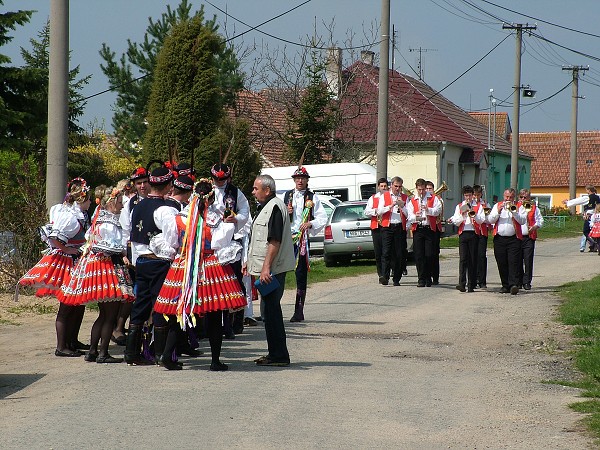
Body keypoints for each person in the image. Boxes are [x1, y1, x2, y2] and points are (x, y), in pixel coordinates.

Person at [154, 179, 247, 371]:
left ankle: (166, 354)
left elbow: (171, 242)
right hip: (210, 267)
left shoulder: (179, 217)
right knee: (214, 314)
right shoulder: (217, 219)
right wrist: (230, 225)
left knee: (179, 310)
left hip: (183, 265)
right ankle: (215, 360)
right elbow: (219, 243)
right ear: (211, 198)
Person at [58, 186, 134, 363]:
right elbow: (103, 247)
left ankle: (93, 351)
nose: (123, 207)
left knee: (104, 314)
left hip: (100, 269)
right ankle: (103, 353)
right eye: (121, 203)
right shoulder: (109, 224)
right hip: (108, 269)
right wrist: (122, 253)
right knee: (110, 315)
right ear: (113, 203)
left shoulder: (99, 220)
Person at [19, 178, 91, 357]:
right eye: (89, 200)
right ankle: (61, 346)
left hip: (75, 261)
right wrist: (68, 249)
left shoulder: (78, 216)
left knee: (78, 303)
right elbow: (53, 238)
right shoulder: (71, 219)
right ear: (82, 200)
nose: (90, 203)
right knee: (67, 304)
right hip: (66, 262)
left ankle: (72, 340)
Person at [124, 164, 178, 366]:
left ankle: (131, 353)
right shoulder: (165, 210)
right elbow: (173, 239)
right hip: (159, 262)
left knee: (141, 303)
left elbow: (132, 234)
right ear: (168, 186)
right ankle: (160, 353)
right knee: (161, 305)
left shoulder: (137, 205)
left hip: (141, 261)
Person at [245, 174, 295, 367]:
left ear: (267, 190)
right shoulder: (267, 207)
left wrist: (266, 268)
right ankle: (275, 353)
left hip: (273, 269)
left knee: (271, 311)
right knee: (269, 311)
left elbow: (274, 240)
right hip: (269, 268)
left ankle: (279, 355)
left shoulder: (274, 207)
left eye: (256, 188)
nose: (253, 192)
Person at [211, 162, 250, 337]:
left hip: (230, 242)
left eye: (223, 179)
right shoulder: (205, 190)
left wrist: (235, 218)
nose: (219, 182)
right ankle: (214, 324)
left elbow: (245, 212)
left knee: (233, 281)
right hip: (209, 241)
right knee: (214, 283)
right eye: (217, 179)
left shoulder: (235, 192)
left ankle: (235, 321)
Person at [283, 166, 327, 319]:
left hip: (302, 239)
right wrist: (285, 212)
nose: (299, 181)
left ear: (307, 180)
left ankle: (299, 310)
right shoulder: (287, 196)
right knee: (280, 270)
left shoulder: (312, 197)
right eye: (297, 178)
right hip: (287, 238)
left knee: (300, 273)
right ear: (294, 180)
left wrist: (310, 224)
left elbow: (322, 217)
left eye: (302, 178)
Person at [112, 167, 149, 346]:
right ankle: (119, 327)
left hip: (154, 254)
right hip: (134, 254)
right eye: (139, 183)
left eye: (145, 182)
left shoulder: (158, 200)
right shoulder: (130, 204)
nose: (142, 186)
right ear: (134, 185)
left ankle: (146, 332)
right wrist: (125, 254)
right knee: (131, 294)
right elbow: (125, 229)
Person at [486, 188, 527, 295]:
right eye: (506, 197)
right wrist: (498, 212)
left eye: (511, 197)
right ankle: (505, 285)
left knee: (513, 262)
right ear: (504, 196)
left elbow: (522, 221)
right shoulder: (497, 205)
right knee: (501, 262)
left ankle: (513, 284)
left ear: (514, 197)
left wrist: (514, 212)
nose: (508, 199)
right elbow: (490, 220)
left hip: (514, 238)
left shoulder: (519, 206)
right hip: (499, 238)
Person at [406, 178, 442, 287]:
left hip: (429, 229)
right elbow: (409, 216)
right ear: (416, 188)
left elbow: (438, 211)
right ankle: (421, 279)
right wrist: (416, 216)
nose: (421, 192)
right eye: (419, 190)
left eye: (423, 190)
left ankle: (428, 276)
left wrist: (427, 209)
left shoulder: (433, 198)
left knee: (430, 254)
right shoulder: (413, 200)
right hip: (418, 229)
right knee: (419, 255)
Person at [447, 185, 483, 293]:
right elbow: (456, 222)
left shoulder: (478, 206)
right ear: (464, 196)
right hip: (463, 233)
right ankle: (461, 283)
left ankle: (471, 284)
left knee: (472, 259)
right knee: (463, 259)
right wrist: (463, 215)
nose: (468, 197)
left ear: (473, 195)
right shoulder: (459, 206)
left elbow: (481, 221)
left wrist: (473, 213)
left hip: (474, 233)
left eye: (470, 195)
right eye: (466, 195)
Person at [377, 176, 409, 286]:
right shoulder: (384, 196)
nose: (397, 188)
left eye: (400, 187)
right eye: (396, 186)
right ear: (391, 185)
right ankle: (384, 276)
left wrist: (402, 206)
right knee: (386, 252)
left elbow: (409, 213)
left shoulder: (404, 197)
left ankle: (396, 278)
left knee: (399, 254)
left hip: (399, 227)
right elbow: (379, 210)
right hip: (387, 226)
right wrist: (390, 206)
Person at [364, 178, 390, 284]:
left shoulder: (390, 197)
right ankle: (380, 274)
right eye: (382, 186)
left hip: (387, 226)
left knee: (386, 252)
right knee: (378, 252)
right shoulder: (373, 198)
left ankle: (386, 273)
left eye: (385, 186)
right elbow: (366, 211)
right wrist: (376, 211)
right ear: (378, 187)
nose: (383, 188)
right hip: (376, 227)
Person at [517, 189, 544, 290]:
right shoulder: (516, 207)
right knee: (518, 260)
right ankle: (519, 281)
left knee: (528, 260)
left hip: (529, 237)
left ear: (529, 198)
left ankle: (527, 282)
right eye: (521, 197)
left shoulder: (534, 208)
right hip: (517, 237)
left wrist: (534, 227)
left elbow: (540, 220)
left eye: (525, 197)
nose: (523, 199)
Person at [563, 185, 600, 252]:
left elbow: (577, 201)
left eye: (586, 190)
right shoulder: (598, 197)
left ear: (589, 190)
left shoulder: (587, 198)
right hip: (597, 216)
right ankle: (594, 245)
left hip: (589, 216)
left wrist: (567, 202)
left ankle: (595, 244)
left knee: (586, 231)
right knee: (594, 231)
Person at [472, 185, 490, 289]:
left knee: (481, 256)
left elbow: (487, 219)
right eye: (474, 195)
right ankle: (474, 278)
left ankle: (482, 280)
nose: (476, 197)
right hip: (473, 231)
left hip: (482, 232)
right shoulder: (470, 204)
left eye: (478, 195)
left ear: (481, 195)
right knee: (473, 256)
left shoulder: (485, 204)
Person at [425, 181, 443, 285]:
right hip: (426, 227)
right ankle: (427, 275)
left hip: (435, 228)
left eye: (430, 189)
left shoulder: (437, 199)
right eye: (426, 189)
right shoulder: (423, 199)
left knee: (434, 254)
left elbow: (439, 213)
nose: (428, 191)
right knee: (427, 254)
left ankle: (435, 277)